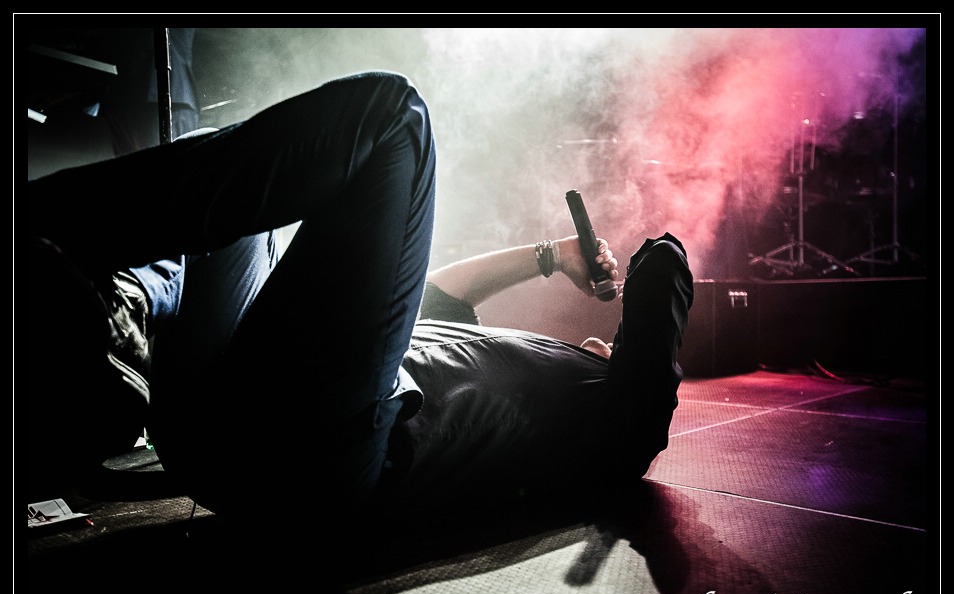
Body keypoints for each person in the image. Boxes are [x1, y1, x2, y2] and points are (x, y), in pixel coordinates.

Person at [26, 71, 694, 530]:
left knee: (397, 117)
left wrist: (642, 286)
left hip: (322, 457)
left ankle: (50, 222)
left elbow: (665, 265)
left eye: (624, 349)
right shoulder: (521, 363)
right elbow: (444, 293)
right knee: (242, 188)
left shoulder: (614, 425)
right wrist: (555, 255)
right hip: (217, 438)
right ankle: (128, 316)